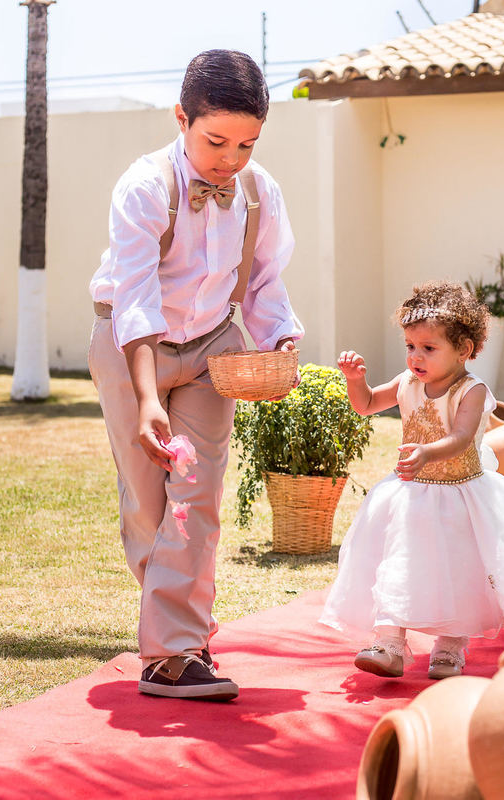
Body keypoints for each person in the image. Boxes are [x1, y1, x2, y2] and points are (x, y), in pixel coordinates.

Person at [88, 50, 302, 701]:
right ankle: (179, 633)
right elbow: (135, 299)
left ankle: (172, 653)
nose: (230, 160)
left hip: (212, 348)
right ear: (181, 118)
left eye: (247, 144)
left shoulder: (259, 192)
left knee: (197, 497)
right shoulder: (144, 187)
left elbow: (263, 281)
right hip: (130, 347)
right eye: (215, 141)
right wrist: (147, 398)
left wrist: (280, 340)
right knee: (148, 502)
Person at [321, 280, 504, 680]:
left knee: (459, 571)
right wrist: (355, 380)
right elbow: (366, 405)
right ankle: (389, 643)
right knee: (398, 562)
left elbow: (462, 437)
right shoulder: (407, 381)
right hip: (409, 495)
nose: (415, 356)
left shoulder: (471, 391)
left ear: (464, 350)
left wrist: (427, 452)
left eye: (428, 348)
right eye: (410, 346)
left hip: (459, 496)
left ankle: (450, 646)